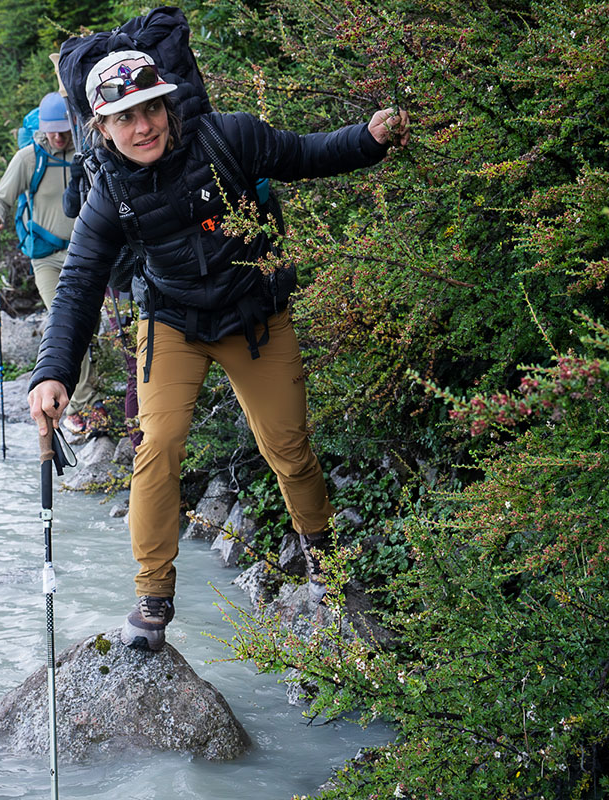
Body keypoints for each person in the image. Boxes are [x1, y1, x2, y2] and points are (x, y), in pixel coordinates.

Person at [27, 49, 411, 651]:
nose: (142, 126)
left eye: (149, 108)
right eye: (124, 118)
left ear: (167, 104)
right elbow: (76, 285)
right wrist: (52, 372)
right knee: (157, 442)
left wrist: (369, 139)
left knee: (287, 445)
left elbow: (304, 154)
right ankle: (152, 595)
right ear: (100, 127)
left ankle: (323, 561)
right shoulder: (107, 193)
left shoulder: (226, 137)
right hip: (172, 322)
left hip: (254, 315)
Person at [0, 91, 102, 433]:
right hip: (48, 258)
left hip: (87, 256)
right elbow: (0, 198)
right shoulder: (28, 158)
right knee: (69, 323)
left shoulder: (86, 151)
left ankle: (86, 395)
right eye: (52, 130)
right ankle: (81, 407)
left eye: (63, 129)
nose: (58, 137)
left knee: (90, 326)